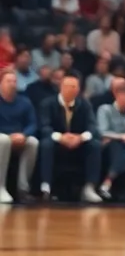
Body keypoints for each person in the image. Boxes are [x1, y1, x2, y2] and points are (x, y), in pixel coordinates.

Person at [37, 72, 103, 202]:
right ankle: (46, 187)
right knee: (46, 144)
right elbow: (44, 127)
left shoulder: (85, 104)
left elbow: (92, 127)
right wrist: (60, 137)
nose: (70, 89)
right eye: (67, 86)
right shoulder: (47, 104)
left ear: (78, 90)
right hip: (57, 142)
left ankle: (89, 187)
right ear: (60, 87)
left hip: (78, 143)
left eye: (74, 87)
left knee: (94, 144)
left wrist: (81, 138)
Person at [0, 67, 38, 203]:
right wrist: (10, 136)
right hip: (3, 137)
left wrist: (24, 135)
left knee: (33, 142)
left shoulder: (24, 101)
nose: (12, 84)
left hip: (19, 138)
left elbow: (33, 124)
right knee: (4, 140)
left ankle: (23, 189)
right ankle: (1, 187)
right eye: (8, 81)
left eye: (14, 81)